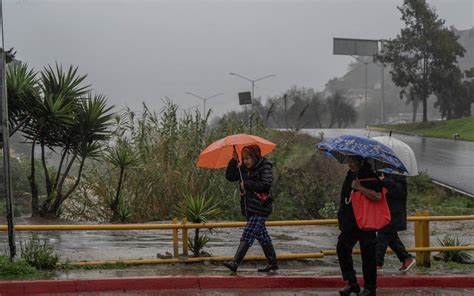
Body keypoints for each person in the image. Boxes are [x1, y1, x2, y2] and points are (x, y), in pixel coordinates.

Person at [223, 145, 278, 273]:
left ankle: (235, 263)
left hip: (261, 207)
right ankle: (272, 263)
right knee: (261, 235)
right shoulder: (244, 168)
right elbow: (230, 177)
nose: (246, 161)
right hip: (250, 207)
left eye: (248, 158)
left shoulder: (265, 165)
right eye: (244, 158)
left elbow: (266, 184)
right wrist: (233, 161)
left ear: (255, 156)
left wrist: (246, 184)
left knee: (248, 233)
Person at [337, 156, 383, 296]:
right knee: (342, 248)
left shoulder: (369, 175)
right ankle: (352, 282)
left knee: (368, 255)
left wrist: (359, 187)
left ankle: (370, 288)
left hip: (365, 223)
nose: (349, 164)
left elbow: (377, 196)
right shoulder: (351, 174)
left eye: (352, 161)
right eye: (348, 161)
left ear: (360, 161)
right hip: (350, 223)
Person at [376, 173, 415, 272]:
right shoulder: (384, 173)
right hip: (385, 211)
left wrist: (384, 181)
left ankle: (377, 263)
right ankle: (406, 258)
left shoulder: (398, 176)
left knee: (383, 235)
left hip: (394, 213)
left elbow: (400, 192)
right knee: (392, 238)